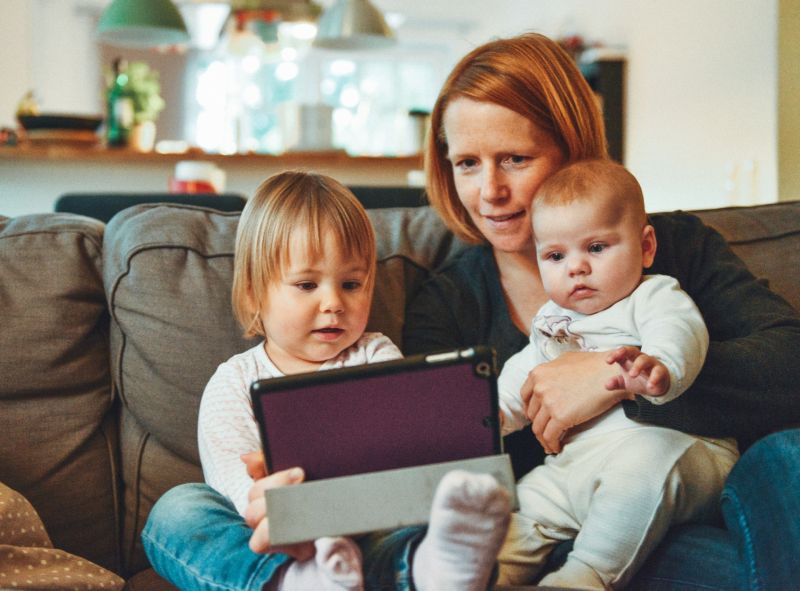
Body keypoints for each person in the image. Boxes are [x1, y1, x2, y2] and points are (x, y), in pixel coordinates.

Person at [403, 31, 800, 589]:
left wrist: (615, 376)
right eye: (468, 163)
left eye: (515, 158)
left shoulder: (672, 247)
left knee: (790, 456)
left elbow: (790, 364)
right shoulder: (447, 303)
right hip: (566, 526)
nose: (490, 190)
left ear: (571, 151)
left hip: (702, 496)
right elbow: (445, 455)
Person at [141, 170, 512, 591]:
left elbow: (406, 447)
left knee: (428, 522)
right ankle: (295, 581)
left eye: (351, 284)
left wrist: (459, 424)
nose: (334, 303)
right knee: (177, 510)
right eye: (307, 284)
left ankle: (433, 570)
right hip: (278, 538)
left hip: (370, 528)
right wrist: (290, 511)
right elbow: (233, 486)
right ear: (252, 294)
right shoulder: (233, 381)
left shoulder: (375, 355)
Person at [494, 159, 738, 588]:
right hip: (576, 467)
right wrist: (493, 414)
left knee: (638, 469)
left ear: (645, 247)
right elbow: (526, 371)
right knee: (526, 501)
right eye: (555, 255)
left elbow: (679, 330)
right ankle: (486, 573)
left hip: (676, 453)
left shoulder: (652, 294)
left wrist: (660, 365)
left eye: (597, 248)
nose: (576, 267)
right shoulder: (553, 318)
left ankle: (585, 575)